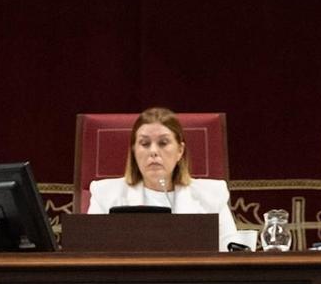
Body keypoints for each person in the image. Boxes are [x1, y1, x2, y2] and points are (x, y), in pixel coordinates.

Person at [84, 107, 235, 250]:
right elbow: (89, 256)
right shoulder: (104, 194)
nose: (153, 151)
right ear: (134, 150)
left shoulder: (213, 195)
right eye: (145, 143)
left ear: (180, 151)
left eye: (163, 143)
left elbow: (232, 254)